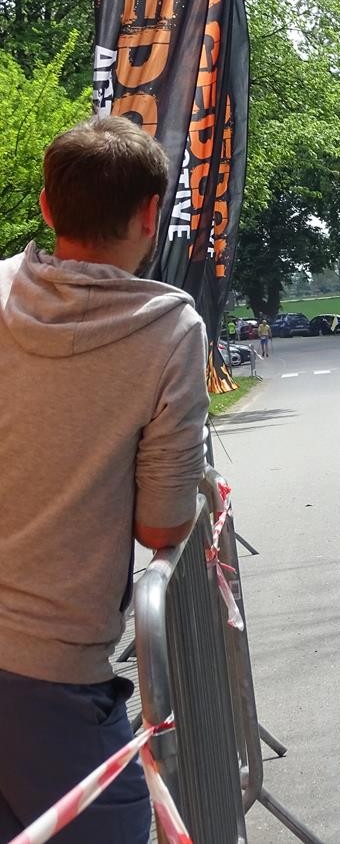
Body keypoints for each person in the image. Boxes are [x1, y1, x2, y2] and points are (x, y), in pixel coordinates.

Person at [0, 116, 209, 842]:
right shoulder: (169, 329)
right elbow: (162, 525)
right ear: (151, 214)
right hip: (51, 667)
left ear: (47, 206)